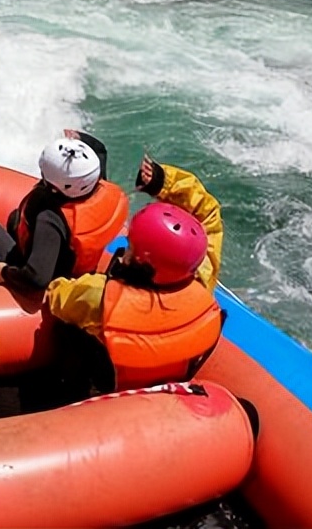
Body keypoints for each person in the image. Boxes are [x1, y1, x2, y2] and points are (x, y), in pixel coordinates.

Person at [43, 155, 226, 392]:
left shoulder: (99, 297)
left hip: (114, 390)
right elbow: (209, 215)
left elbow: (58, 297)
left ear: (141, 261)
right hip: (167, 384)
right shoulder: (201, 281)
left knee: (66, 332)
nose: (125, 249)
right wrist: (164, 182)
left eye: (130, 246)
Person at [0, 130, 128, 295]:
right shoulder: (99, 184)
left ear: (55, 188)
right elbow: (99, 149)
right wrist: (80, 139)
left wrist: (4, 272)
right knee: (15, 218)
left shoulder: (50, 218)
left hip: (56, 279)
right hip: (81, 264)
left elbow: (37, 278)